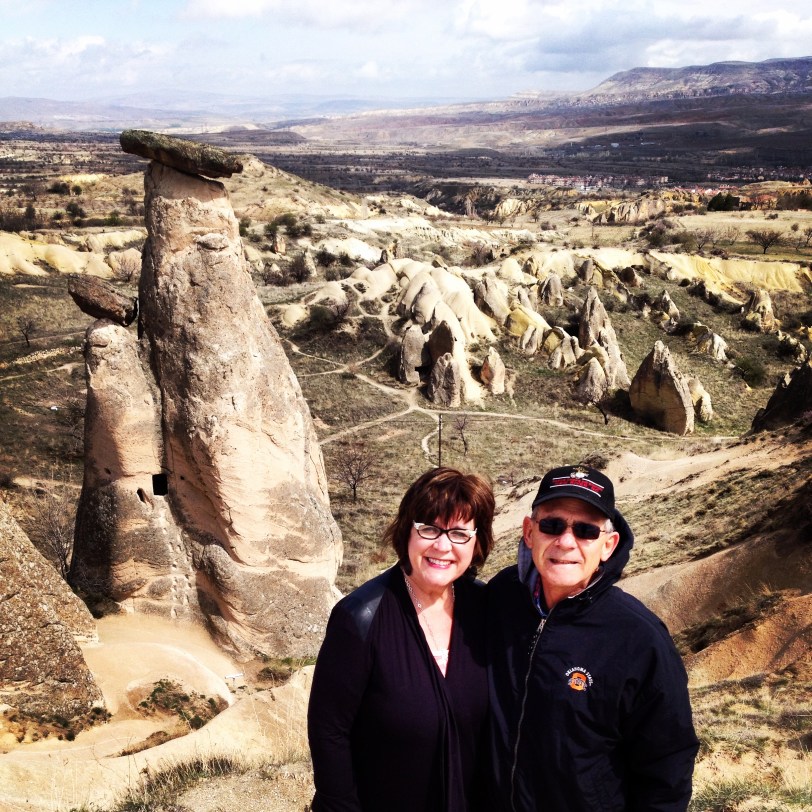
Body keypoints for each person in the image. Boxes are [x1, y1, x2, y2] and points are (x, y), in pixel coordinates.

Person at [488, 464, 699, 812]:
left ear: (608, 545)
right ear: (529, 532)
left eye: (586, 531)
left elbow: (667, 766)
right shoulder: (500, 598)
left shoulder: (638, 639)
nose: (566, 542)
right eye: (552, 525)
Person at [308, 466, 495, 812]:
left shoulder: (484, 610)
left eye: (459, 533)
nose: (442, 545)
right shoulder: (360, 617)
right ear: (406, 532)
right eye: (429, 529)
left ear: (477, 541)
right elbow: (329, 733)